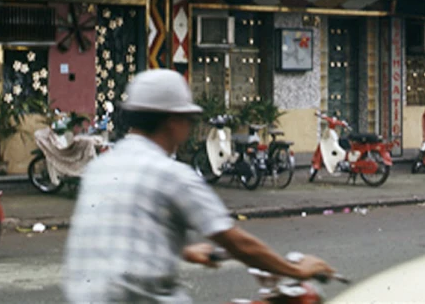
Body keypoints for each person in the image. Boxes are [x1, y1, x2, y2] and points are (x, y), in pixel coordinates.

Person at [63, 70, 334, 303]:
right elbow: (239, 243)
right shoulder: (172, 174)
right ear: (173, 121)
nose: (190, 128)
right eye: (189, 120)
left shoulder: (101, 167)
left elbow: (124, 229)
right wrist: (296, 270)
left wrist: (185, 250)